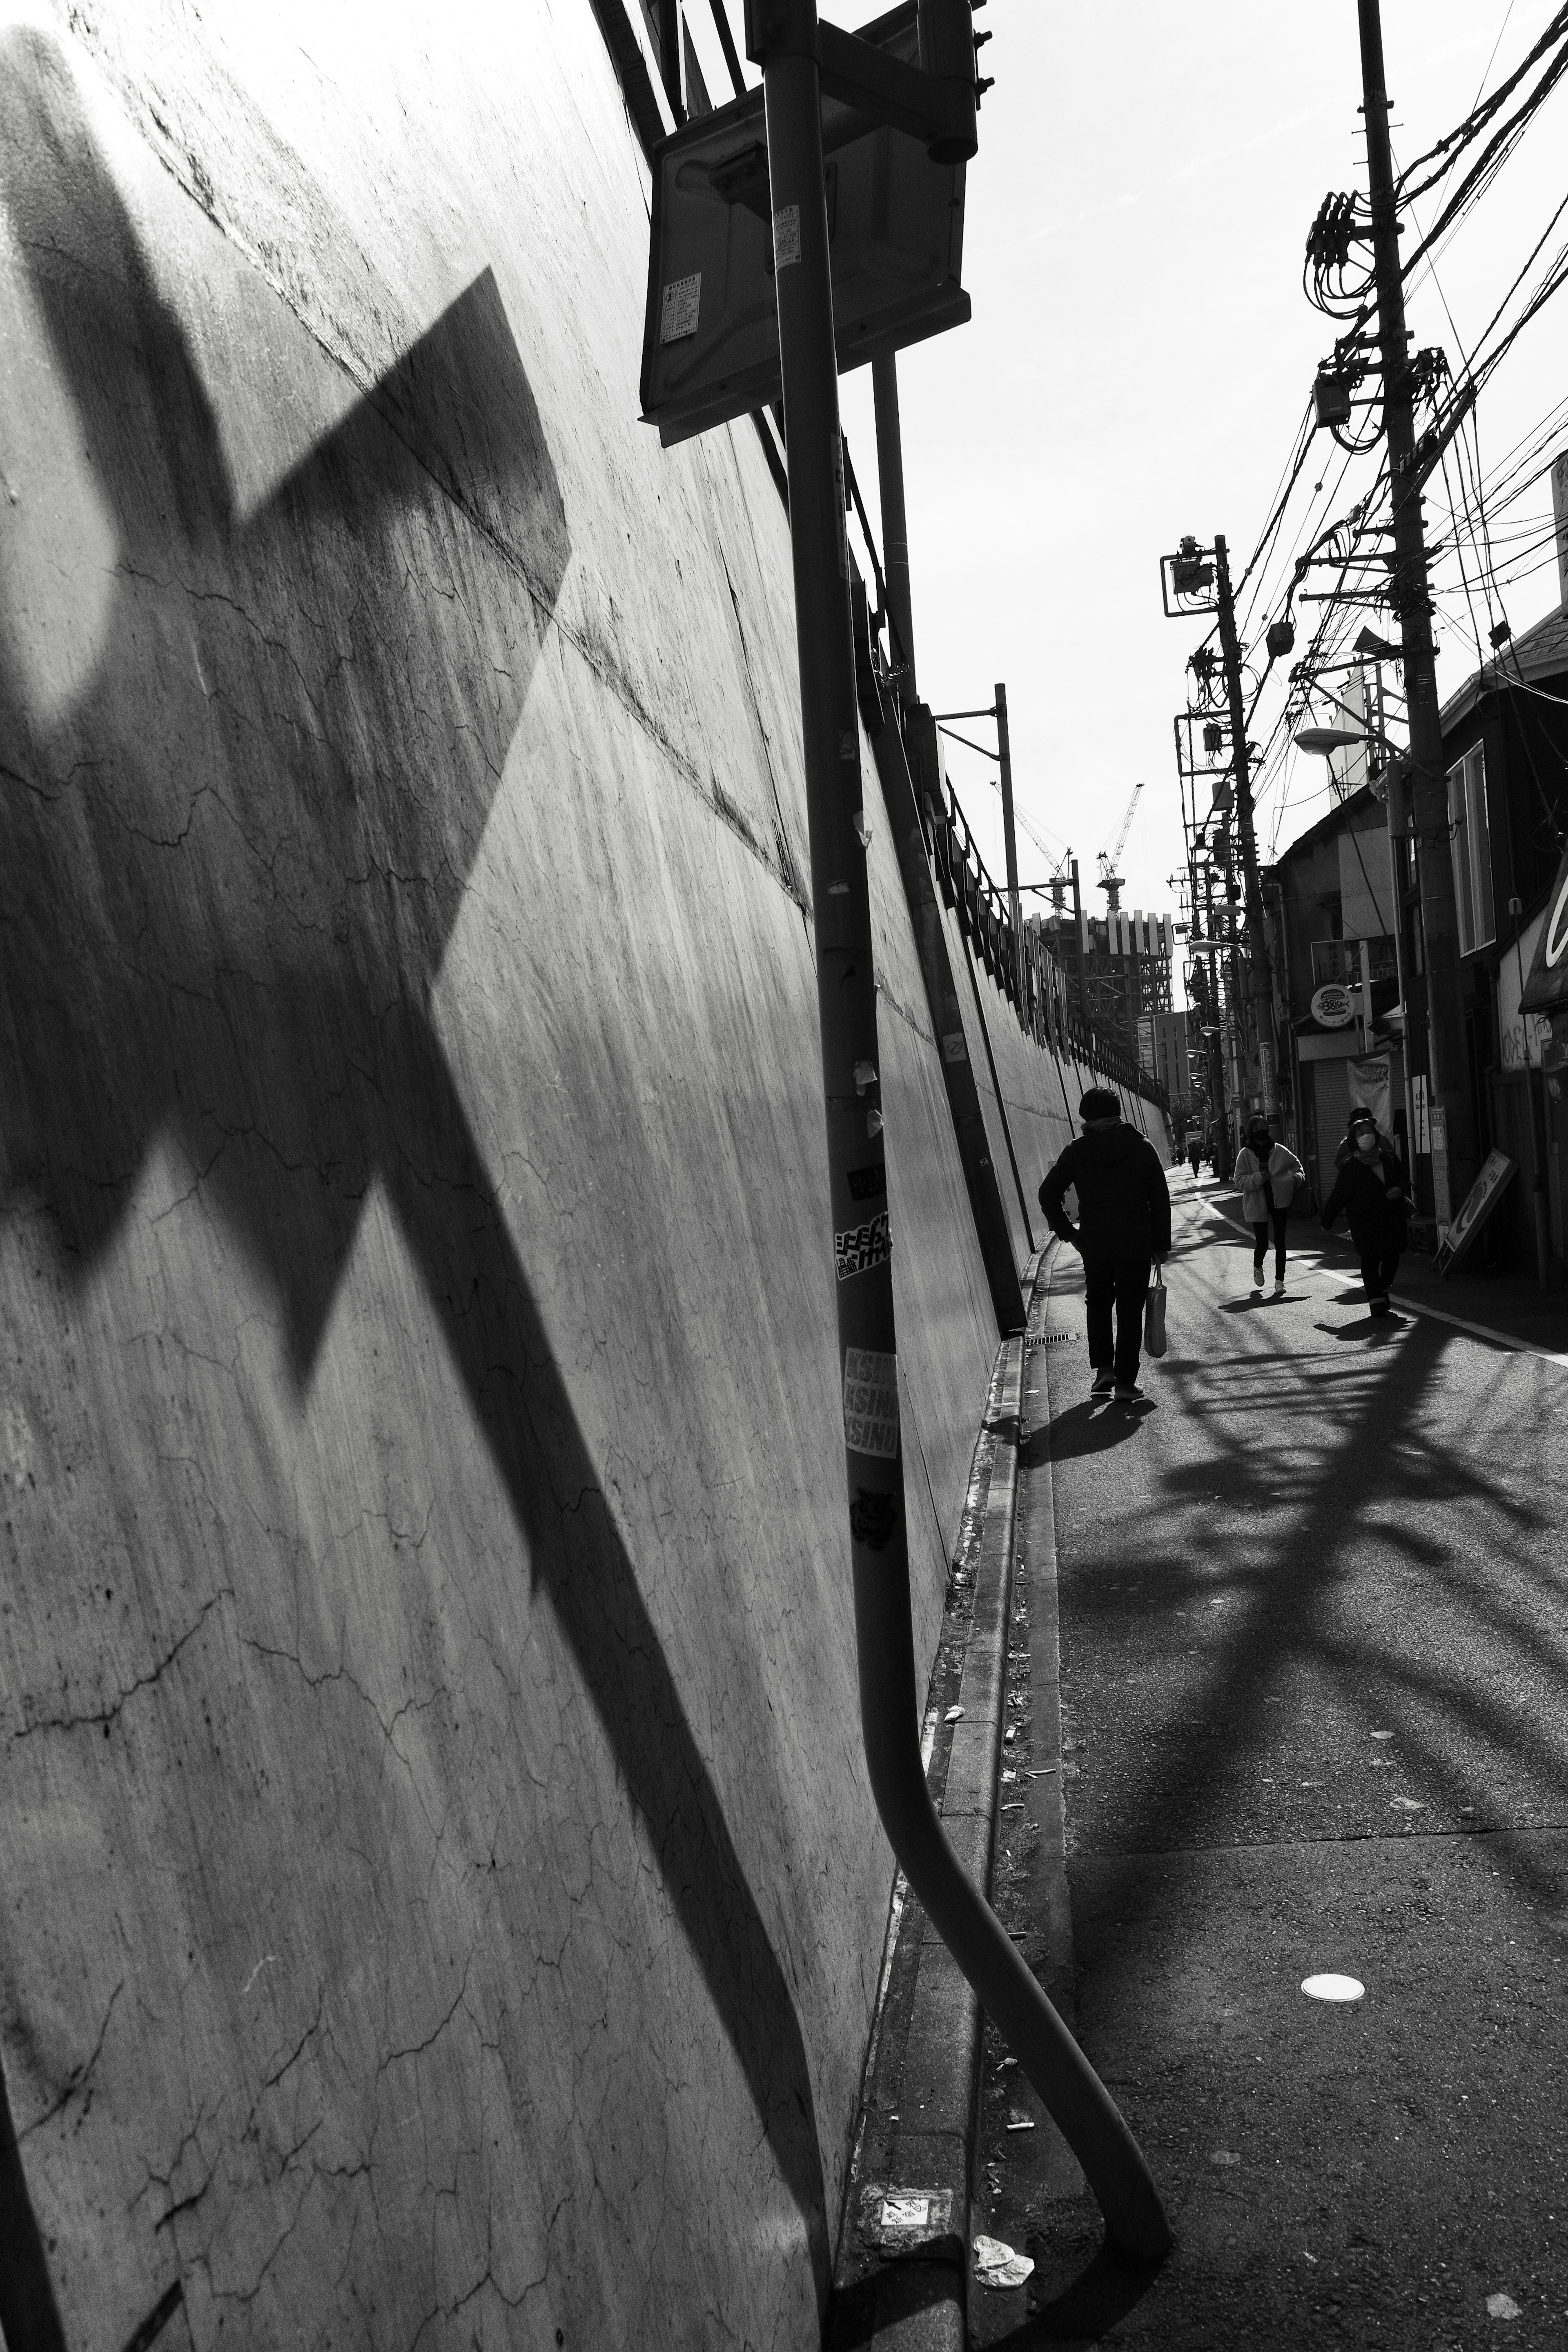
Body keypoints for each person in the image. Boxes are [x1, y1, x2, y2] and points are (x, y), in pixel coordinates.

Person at [1040, 1087, 1173, 1400]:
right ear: (1118, 1112)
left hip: (1094, 1244)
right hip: (1136, 1242)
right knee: (1130, 1310)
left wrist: (1070, 1234)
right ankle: (1126, 1383)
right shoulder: (1142, 1147)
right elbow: (1160, 1200)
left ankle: (1104, 1371)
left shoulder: (1076, 1151)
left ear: (1086, 1115)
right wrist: (1161, 1243)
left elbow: (1047, 1195)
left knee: (1098, 1304)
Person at [1321, 1107, 1413, 1316]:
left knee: (1392, 1256)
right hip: (1365, 1221)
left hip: (1392, 1218)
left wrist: (1399, 1189)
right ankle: (1376, 1300)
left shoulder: (1389, 1158)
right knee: (1370, 1258)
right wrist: (1327, 1220)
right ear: (1354, 1138)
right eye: (1360, 1133)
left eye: (1368, 1131)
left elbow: (1405, 1180)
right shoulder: (1350, 1167)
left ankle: (1384, 1288)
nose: (1366, 1136)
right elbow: (1338, 1196)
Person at [1233, 1117, 1306, 1298]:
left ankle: (1280, 1281)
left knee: (1281, 1243)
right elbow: (1239, 1181)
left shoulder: (1280, 1150)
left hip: (1280, 1202)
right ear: (1251, 1132)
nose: (1261, 1130)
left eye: (1263, 1127)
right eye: (1257, 1128)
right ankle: (1258, 1266)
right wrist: (1259, 1178)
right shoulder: (1245, 1154)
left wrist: (1297, 1178)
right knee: (1263, 1244)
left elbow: (1298, 1166)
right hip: (1258, 1204)